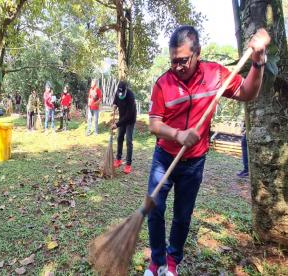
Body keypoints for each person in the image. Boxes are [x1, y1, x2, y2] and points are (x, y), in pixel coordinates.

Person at [144, 26, 269, 276]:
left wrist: (257, 62)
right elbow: (154, 124)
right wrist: (178, 134)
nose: (177, 66)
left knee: (183, 214)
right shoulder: (163, 83)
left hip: (194, 161)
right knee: (154, 207)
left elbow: (248, 92)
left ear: (197, 52)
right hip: (165, 156)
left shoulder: (216, 75)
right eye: (173, 61)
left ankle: (172, 260)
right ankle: (156, 261)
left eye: (182, 60)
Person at [111, 81, 136, 174]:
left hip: (130, 120)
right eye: (119, 92)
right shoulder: (118, 92)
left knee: (129, 141)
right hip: (122, 118)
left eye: (122, 92)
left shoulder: (130, 96)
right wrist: (114, 105)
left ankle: (128, 164)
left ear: (126, 89)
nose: (120, 94)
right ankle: (118, 159)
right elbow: (115, 101)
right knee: (119, 138)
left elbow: (129, 115)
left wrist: (117, 124)